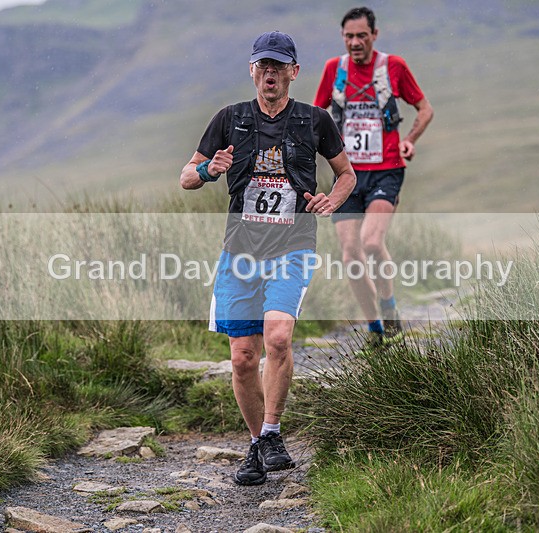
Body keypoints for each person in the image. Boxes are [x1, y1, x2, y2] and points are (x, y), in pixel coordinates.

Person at [180, 31, 356, 486]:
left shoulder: (315, 121)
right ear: (252, 70)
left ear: (294, 72)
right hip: (239, 252)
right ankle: (259, 444)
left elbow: (346, 175)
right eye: (263, 65)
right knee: (242, 357)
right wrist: (207, 170)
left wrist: (332, 202)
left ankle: (273, 431)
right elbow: (186, 178)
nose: (270, 73)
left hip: (291, 246)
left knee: (277, 336)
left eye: (279, 66)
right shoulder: (229, 118)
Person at [313, 6, 433, 345]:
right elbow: (316, 115)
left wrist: (409, 140)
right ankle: (376, 328)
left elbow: (425, 108)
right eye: (349, 36)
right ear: (343, 37)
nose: (354, 42)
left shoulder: (392, 67)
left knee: (370, 241)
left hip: (386, 170)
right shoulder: (333, 70)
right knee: (350, 254)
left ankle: (389, 305)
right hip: (347, 175)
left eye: (361, 36)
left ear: (374, 36)